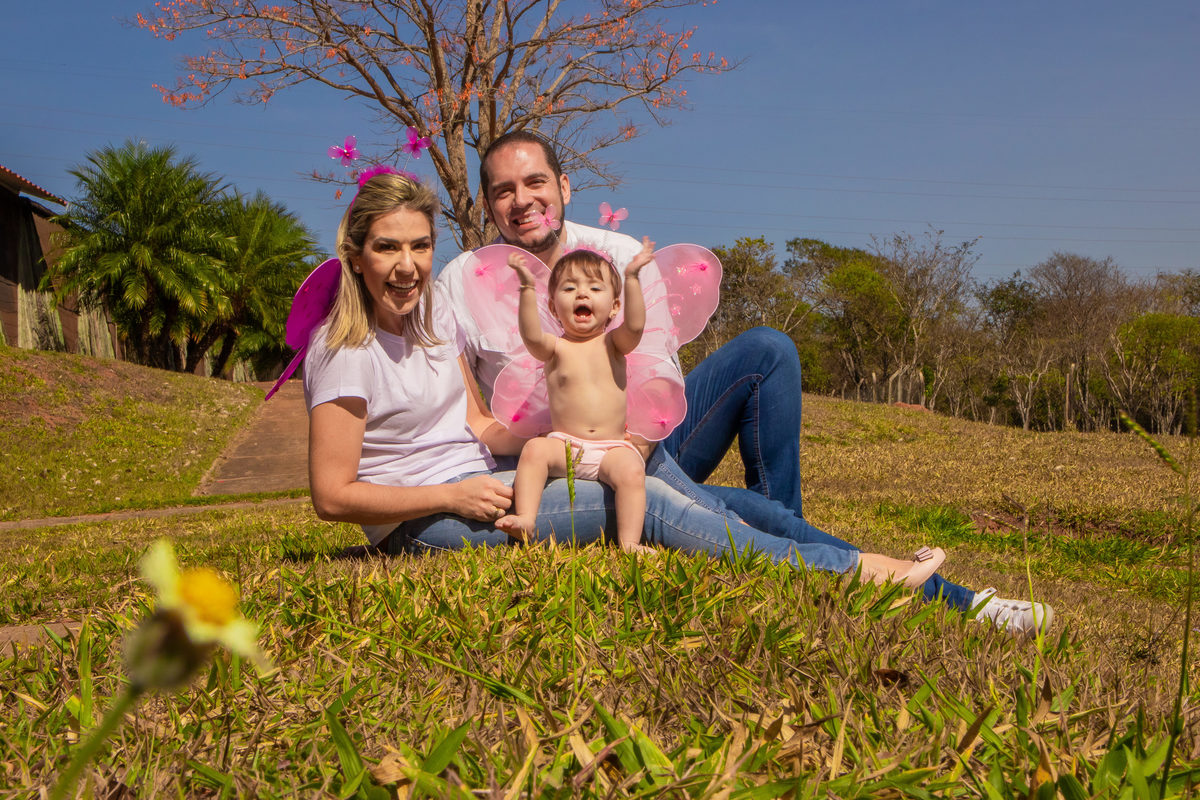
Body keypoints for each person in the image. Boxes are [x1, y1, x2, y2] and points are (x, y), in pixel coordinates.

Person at [436, 131, 1054, 634]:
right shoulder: (466, 279)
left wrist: (632, 450)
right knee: (749, 513)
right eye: (503, 191)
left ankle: (774, 538)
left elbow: (655, 375)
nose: (522, 200)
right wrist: (527, 450)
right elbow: (457, 400)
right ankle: (946, 599)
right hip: (563, 459)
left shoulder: (619, 255)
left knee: (768, 349)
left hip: (643, 444)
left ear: (563, 186)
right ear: (488, 205)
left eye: (535, 182)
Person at [304, 168, 962, 596]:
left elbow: (476, 424)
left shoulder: (433, 323)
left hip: (491, 481)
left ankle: (888, 571)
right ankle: (861, 575)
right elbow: (333, 497)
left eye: (420, 246)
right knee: (655, 504)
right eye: (388, 247)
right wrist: (449, 495)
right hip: (424, 522)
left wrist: (550, 426)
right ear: (356, 256)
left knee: (734, 503)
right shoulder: (343, 350)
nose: (408, 265)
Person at [495, 243, 655, 552]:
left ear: (614, 307)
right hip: (565, 446)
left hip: (611, 448)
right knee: (534, 450)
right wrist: (527, 289)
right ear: (554, 308)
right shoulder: (555, 348)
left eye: (595, 288)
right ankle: (526, 518)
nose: (582, 294)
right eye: (569, 288)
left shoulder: (614, 344)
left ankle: (629, 542)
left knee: (632, 473)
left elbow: (635, 325)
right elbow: (530, 335)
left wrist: (632, 277)